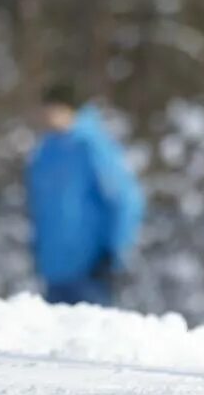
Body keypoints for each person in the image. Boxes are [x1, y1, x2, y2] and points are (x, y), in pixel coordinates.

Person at [25, 84, 145, 306]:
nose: (45, 115)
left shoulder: (92, 145)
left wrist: (113, 251)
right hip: (53, 271)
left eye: (52, 108)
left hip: (90, 270)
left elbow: (126, 199)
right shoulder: (45, 150)